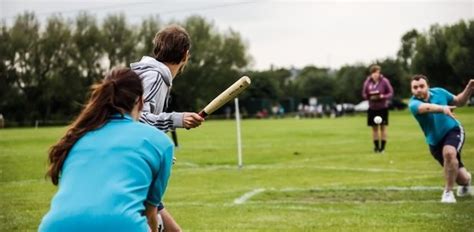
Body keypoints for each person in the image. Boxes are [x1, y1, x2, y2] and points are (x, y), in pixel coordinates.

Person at [39, 68, 174, 232]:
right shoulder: (160, 141)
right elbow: (150, 213)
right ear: (140, 102)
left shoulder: (77, 136)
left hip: (53, 227)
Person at [131, 25, 204, 232]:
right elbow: (139, 120)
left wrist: (159, 152)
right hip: (131, 164)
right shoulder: (154, 77)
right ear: (185, 55)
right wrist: (178, 119)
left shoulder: (152, 74)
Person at [409, 75, 473, 203]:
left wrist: (469, 88)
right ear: (411, 90)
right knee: (461, 178)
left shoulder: (440, 92)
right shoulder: (414, 104)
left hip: (452, 130)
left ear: (428, 86)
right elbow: (426, 108)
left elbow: (459, 101)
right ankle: (466, 182)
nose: (418, 90)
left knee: (449, 153)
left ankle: (448, 193)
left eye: (422, 86)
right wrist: (442, 108)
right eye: (415, 87)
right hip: (434, 142)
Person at [362, 65, 394, 153]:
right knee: (374, 129)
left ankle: (382, 148)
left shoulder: (384, 81)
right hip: (372, 108)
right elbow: (364, 94)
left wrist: (382, 96)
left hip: (382, 108)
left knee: (383, 128)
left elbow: (391, 93)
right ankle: (376, 148)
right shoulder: (367, 82)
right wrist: (370, 97)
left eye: (377, 72)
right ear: (371, 73)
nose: (376, 74)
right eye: (374, 72)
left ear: (379, 73)